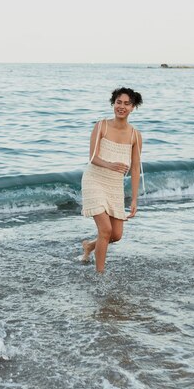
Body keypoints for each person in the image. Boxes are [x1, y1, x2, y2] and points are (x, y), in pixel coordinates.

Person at [80, 87, 143, 273]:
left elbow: (136, 168)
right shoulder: (101, 126)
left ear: (133, 107)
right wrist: (111, 165)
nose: (121, 107)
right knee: (105, 230)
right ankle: (100, 276)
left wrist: (133, 198)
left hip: (115, 185)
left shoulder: (135, 136)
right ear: (113, 103)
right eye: (118, 102)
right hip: (94, 180)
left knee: (116, 235)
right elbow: (92, 157)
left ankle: (90, 246)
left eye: (126, 103)